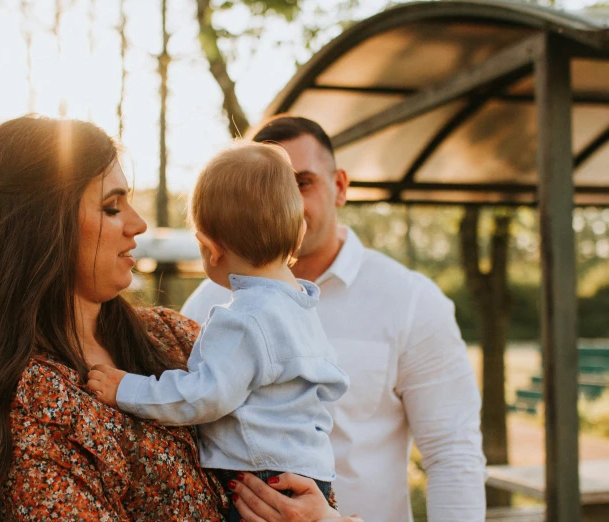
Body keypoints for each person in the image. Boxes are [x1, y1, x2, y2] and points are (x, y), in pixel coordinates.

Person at [0, 115, 364, 522]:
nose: (139, 224)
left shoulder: (171, 335)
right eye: (111, 207)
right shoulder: (31, 402)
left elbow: (291, 445)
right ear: (44, 226)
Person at [182, 116, 487, 522]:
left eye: (301, 183)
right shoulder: (209, 303)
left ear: (340, 187)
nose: (283, 201)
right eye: (265, 189)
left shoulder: (411, 301)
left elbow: (453, 454)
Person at [87, 143, 350, 522]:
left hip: (260, 481)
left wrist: (126, 388)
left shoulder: (244, 319)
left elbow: (204, 396)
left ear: (210, 249)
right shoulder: (302, 306)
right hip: (309, 480)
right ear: (298, 231)